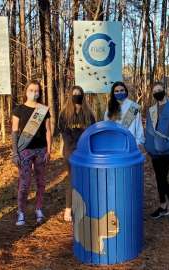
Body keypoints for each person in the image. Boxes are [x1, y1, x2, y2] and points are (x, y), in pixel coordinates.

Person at [144, 79, 169, 224]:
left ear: (164, 90)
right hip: (153, 151)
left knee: (162, 179)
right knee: (158, 178)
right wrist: (148, 146)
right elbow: (149, 130)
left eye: (159, 90)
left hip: (166, 152)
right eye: (154, 92)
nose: (157, 93)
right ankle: (163, 206)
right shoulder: (151, 110)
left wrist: (168, 144)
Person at [11, 80, 52, 226]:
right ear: (26, 91)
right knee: (24, 183)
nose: (34, 93)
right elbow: (15, 133)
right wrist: (15, 153)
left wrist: (49, 149)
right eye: (31, 90)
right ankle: (21, 211)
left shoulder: (43, 110)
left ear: (39, 93)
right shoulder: (18, 110)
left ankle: (38, 208)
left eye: (37, 91)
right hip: (25, 151)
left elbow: (48, 130)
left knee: (41, 182)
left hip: (41, 150)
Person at [58, 86, 96, 222]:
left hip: (86, 151)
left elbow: (92, 132)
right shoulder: (64, 114)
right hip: (71, 151)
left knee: (86, 179)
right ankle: (68, 208)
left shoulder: (89, 114)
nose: (77, 96)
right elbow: (64, 134)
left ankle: (85, 207)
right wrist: (74, 149)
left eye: (79, 94)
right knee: (72, 179)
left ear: (83, 96)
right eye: (74, 94)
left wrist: (84, 148)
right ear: (70, 96)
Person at [104, 81, 145, 146]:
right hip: (114, 142)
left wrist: (138, 143)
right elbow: (106, 126)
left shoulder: (133, 106)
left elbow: (139, 127)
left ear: (125, 91)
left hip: (129, 143)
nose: (119, 92)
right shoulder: (110, 107)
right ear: (113, 93)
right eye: (116, 91)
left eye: (121, 90)